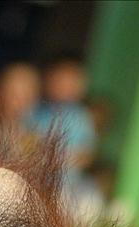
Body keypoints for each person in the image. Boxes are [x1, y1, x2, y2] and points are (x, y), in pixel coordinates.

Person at [27, 53, 101, 205]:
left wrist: (64, 159)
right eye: (59, 80)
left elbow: (87, 154)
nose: (63, 87)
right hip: (35, 180)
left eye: (70, 83)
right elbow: (26, 140)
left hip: (66, 186)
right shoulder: (37, 112)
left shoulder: (80, 118)